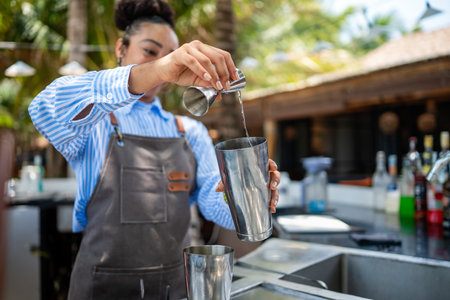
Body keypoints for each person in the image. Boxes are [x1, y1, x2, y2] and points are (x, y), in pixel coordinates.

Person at [29, 0, 280, 299]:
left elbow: (214, 208)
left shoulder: (190, 132)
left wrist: (245, 194)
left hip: (172, 288)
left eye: (170, 56)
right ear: (121, 48)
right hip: (101, 290)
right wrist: (158, 70)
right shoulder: (93, 122)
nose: (164, 64)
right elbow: (44, 108)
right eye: (150, 51)